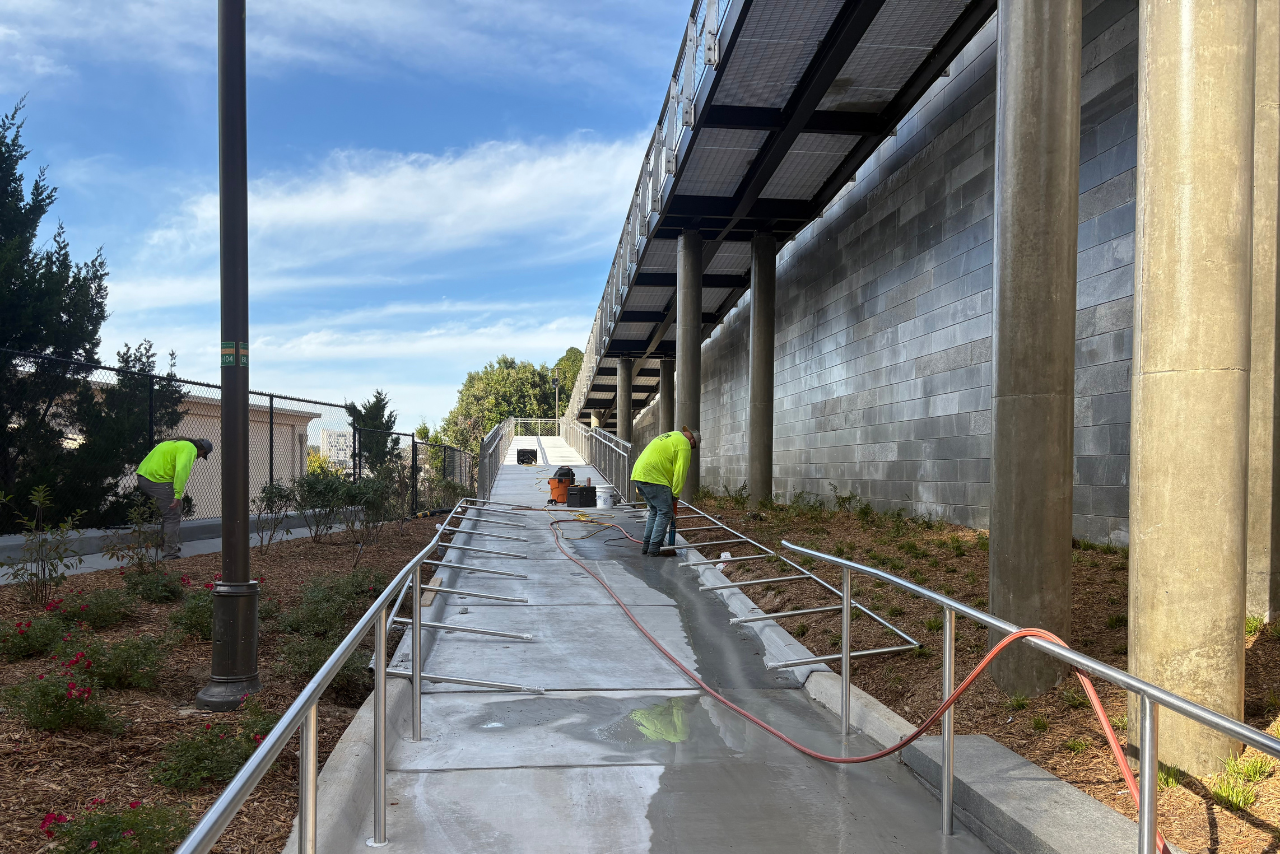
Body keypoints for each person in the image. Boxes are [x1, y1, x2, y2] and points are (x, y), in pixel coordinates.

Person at [136, 437, 213, 560]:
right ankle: (170, 553)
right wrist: (177, 495)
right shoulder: (190, 449)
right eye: (202, 455)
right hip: (156, 479)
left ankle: (164, 542)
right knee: (172, 514)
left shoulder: (176, 444)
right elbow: (181, 471)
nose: (199, 457)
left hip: (145, 476)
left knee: (175, 509)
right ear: (202, 450)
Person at [631, 425, 699, 557]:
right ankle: (655, 548)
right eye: (692, 447)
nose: (690, 449)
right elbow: (681, 471)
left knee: (655, 511)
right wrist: (675, 493)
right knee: (665, 512)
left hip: (639, 475)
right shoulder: (684, 444)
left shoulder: (671, 436)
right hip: (654, 478)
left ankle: (647, 546)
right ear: (692, 441)